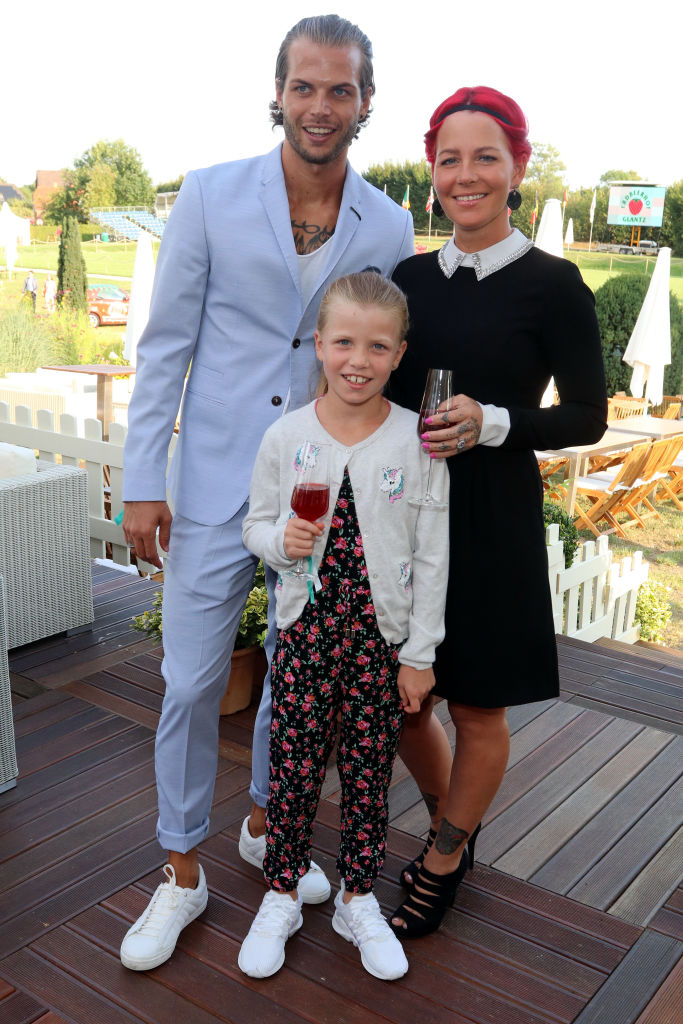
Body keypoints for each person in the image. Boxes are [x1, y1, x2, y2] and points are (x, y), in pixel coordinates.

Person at [119, 15, 413, 973]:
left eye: (340, 90)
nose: (320, 106)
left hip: (321, 493)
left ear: (365, 102)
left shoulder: (390, 222)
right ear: (277, 93)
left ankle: (262, 825)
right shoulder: (207, 196)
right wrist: (142, 479)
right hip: (209, 479)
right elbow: (166, 345)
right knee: (192, 680)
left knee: (297, 675)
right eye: (305, 87)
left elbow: (376, 356)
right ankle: (179, 874)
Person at [386, 86, 607, 938]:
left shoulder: (554, 285)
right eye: (449, 158)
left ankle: (442, 855)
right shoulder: (408, 279)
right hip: (407, 515)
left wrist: (495, 421)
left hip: (491, 515)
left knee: (476, 708)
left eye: (485, 157)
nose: (464, 175)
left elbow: (586, 415)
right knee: (405, 700)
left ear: (515, 167)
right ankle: (457, 822)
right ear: (432, 171)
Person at [238, 271, 448, 981]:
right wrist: (277, 545)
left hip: (378, 643)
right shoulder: (286, 435)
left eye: (377, 346)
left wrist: (418, 654)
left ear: (399, 354)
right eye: (344, 342)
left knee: (367, 772)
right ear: (320, 346)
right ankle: (283, 891)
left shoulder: (415, 443)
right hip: (304, 635)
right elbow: (256, 523)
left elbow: (431, 555)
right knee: (292, 768)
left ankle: (357, 896)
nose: (358, 359)